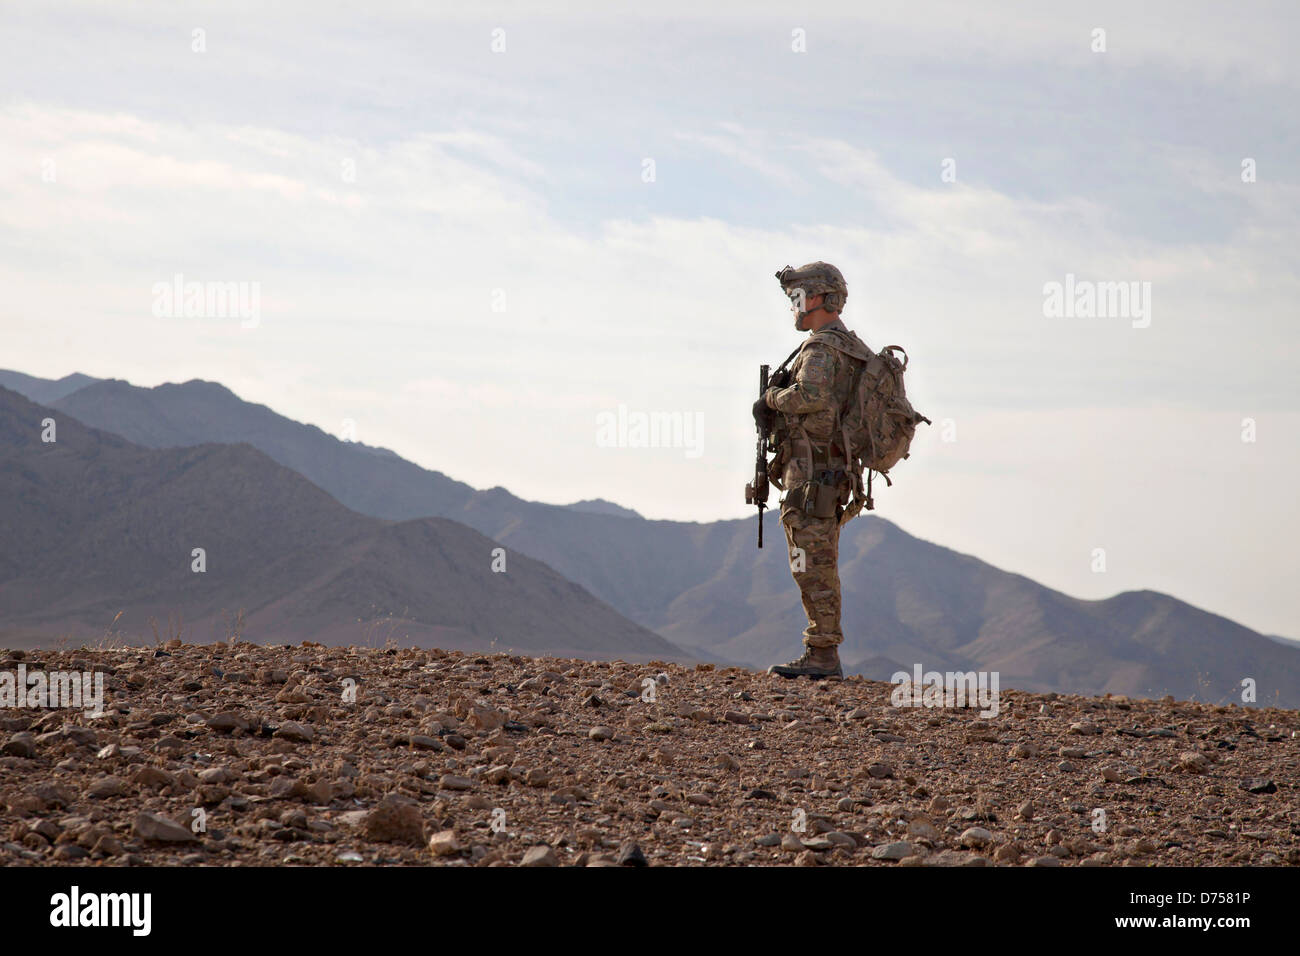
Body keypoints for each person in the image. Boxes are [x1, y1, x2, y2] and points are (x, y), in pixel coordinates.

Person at [753, 262, 872, 679]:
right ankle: (822, 650)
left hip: (815, 472)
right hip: (828, 469)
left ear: (819, 298)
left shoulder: (822, 348)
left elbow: (811, 396)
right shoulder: (848, 346)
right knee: (816, 558)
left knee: (812, 562)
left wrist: (771, 399)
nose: (793, 306)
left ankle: (822, 653)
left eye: (797, 297)